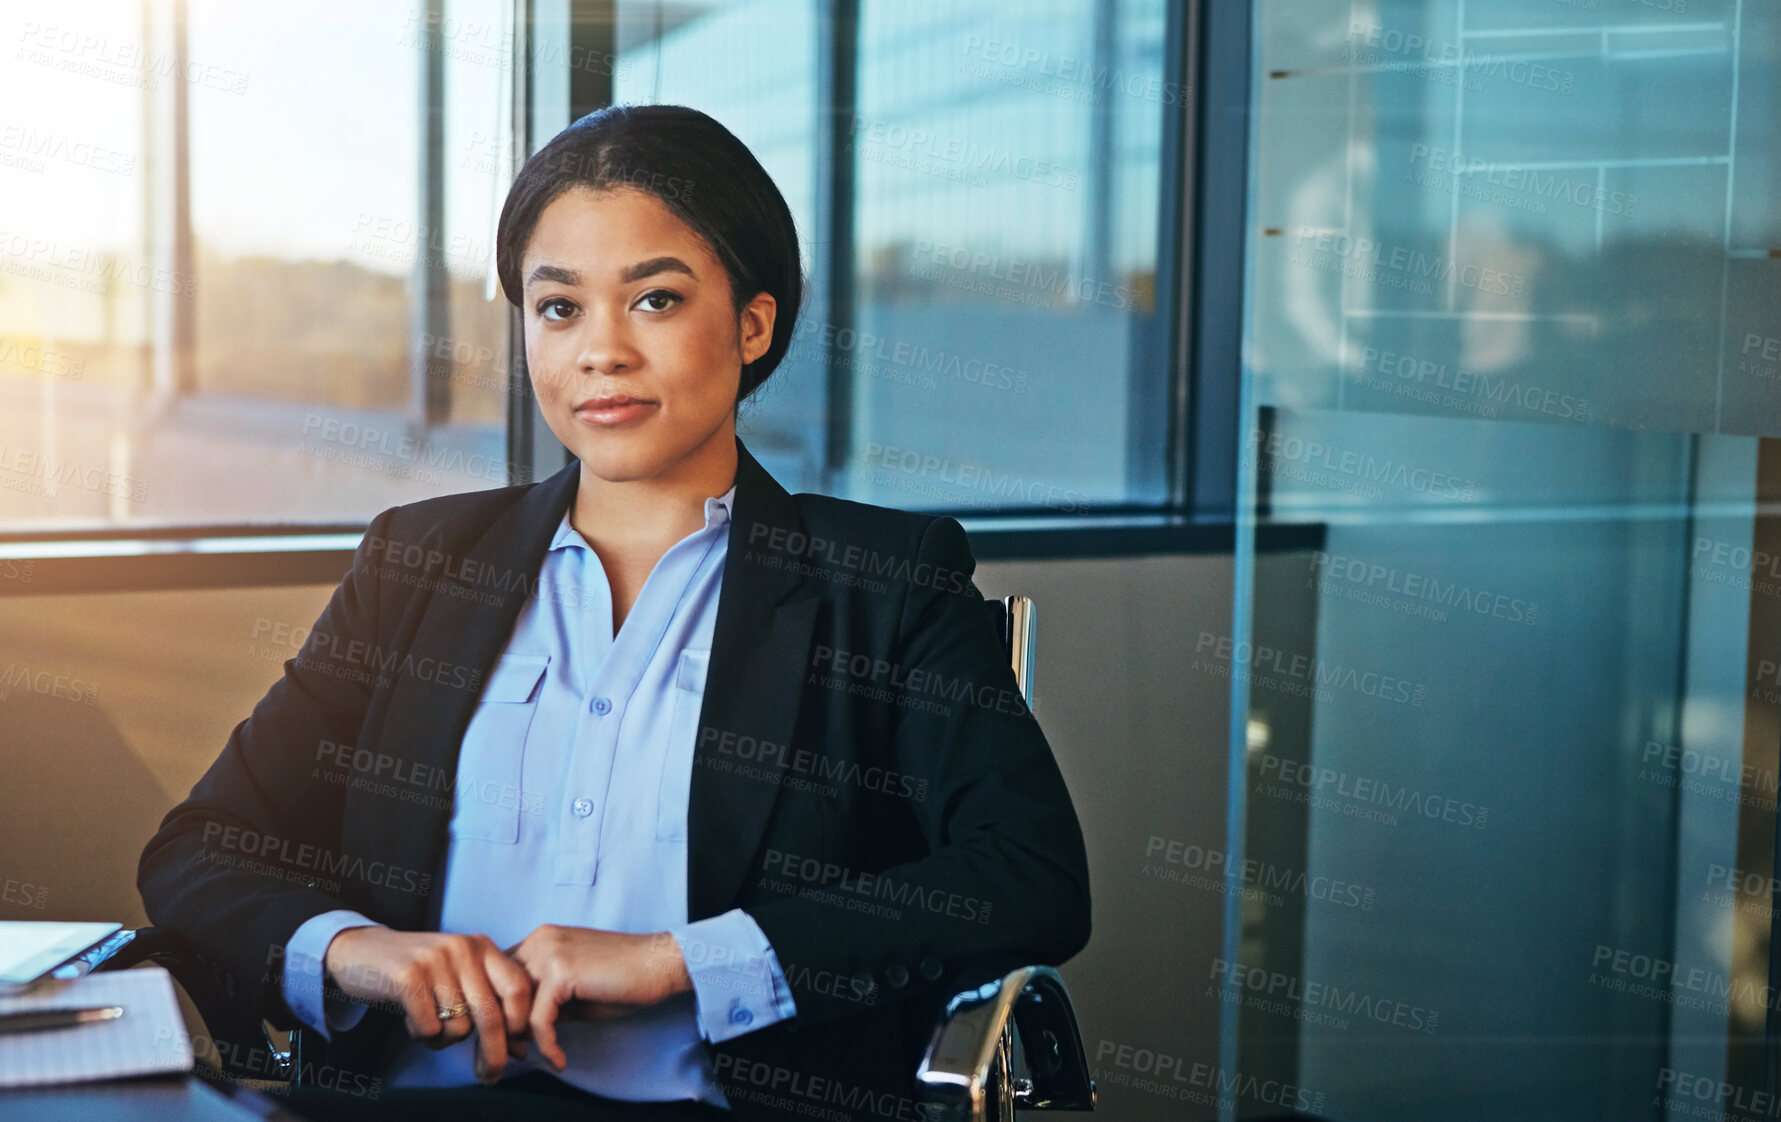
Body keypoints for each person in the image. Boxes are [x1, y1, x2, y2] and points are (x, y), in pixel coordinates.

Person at [138, 103, 1090, 1122]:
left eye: (655, 301)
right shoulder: (418, 564)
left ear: (752, 323)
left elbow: (1026, 876)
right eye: (559, 309)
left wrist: (678, 962)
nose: (601, 353)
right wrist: (358, 953)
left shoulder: (884, 581)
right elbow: (200, 848)